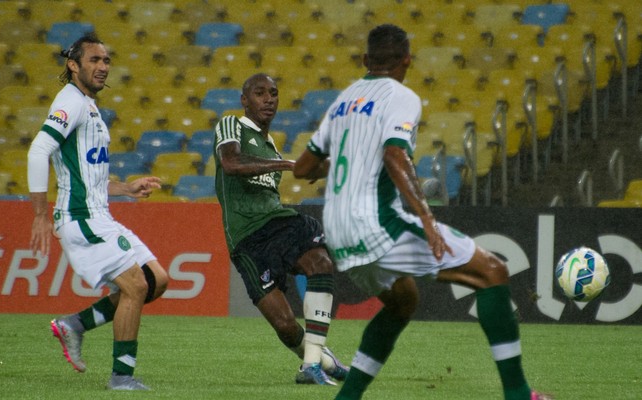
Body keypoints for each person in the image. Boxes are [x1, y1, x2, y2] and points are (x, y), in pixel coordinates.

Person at [293, 24, 552, 400]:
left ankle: (347, 397)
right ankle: (518, 394)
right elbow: (395, 154)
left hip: (337, 232)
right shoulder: (401, 97)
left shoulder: (343, 100)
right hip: (376, 223)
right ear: (407, 61)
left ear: (366, 60)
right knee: (493, 272)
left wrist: (343, 161)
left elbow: (303, 169)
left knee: (403, 302)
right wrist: (428, 220)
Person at [27, 33, 169, 391]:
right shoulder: (71, 102)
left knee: (157, 280)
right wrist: (40, 215)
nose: (103, 67)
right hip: (80, 217)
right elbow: (37, 151)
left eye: (106, 61)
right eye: (94, 60)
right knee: (136, 285)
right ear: (73, 65)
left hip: (99, 213)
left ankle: (74, 325)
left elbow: (87, 178)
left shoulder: (89, 105)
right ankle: (122, 376)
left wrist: (125, 188)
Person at [213, 73, 349, 385]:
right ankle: (324, 361)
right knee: (286, 326)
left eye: (273, 93)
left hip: (279, 222)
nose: (269, 99)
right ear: (244, 100)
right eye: (259, 93)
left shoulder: (270, 145)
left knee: (321, 263)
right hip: (247, 240)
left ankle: (311, 365)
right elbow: (231, 164)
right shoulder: (231, 125)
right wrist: (287, 164)